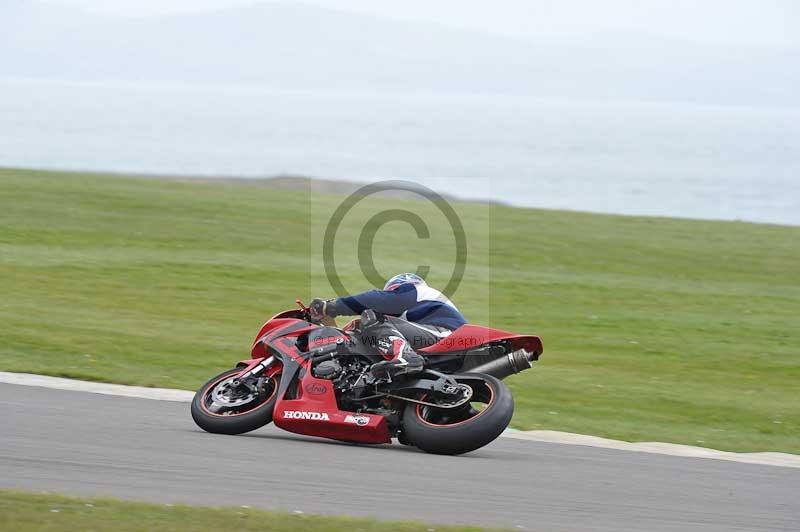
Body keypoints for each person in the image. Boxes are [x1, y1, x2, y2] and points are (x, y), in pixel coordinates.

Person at [309, 273, 467, 380]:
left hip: (447, 334)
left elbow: (378, 301)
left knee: (372, 317)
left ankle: (406, 358)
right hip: (440, 345)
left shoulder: (417, 290)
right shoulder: (411, 316)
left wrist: (331, 307)